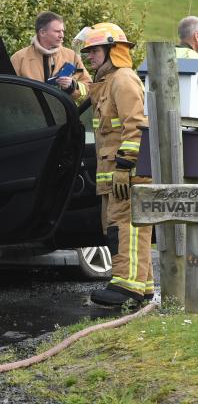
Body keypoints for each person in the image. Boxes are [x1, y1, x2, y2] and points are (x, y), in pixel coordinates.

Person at [77, 22, 154, 306]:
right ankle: (142, 286)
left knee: (128, 227)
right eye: (88, 52)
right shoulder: (108, 82)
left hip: (127, 172)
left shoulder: (123, 80)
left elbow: (136, 126)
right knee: (119, 226)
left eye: (95, 50)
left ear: (113, 50)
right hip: (115, 172)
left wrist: (125, 165)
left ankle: (126, 287)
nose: (90, 56)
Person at [11, 11, 92, 103]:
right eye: (57, 31)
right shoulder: (19, 58)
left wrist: (72, 86)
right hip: (28, 115)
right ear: (42, 33)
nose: (62, 35)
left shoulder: (71, 56)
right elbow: (8, 90)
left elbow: (89, 87)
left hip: (59, 115)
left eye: (62, 31)